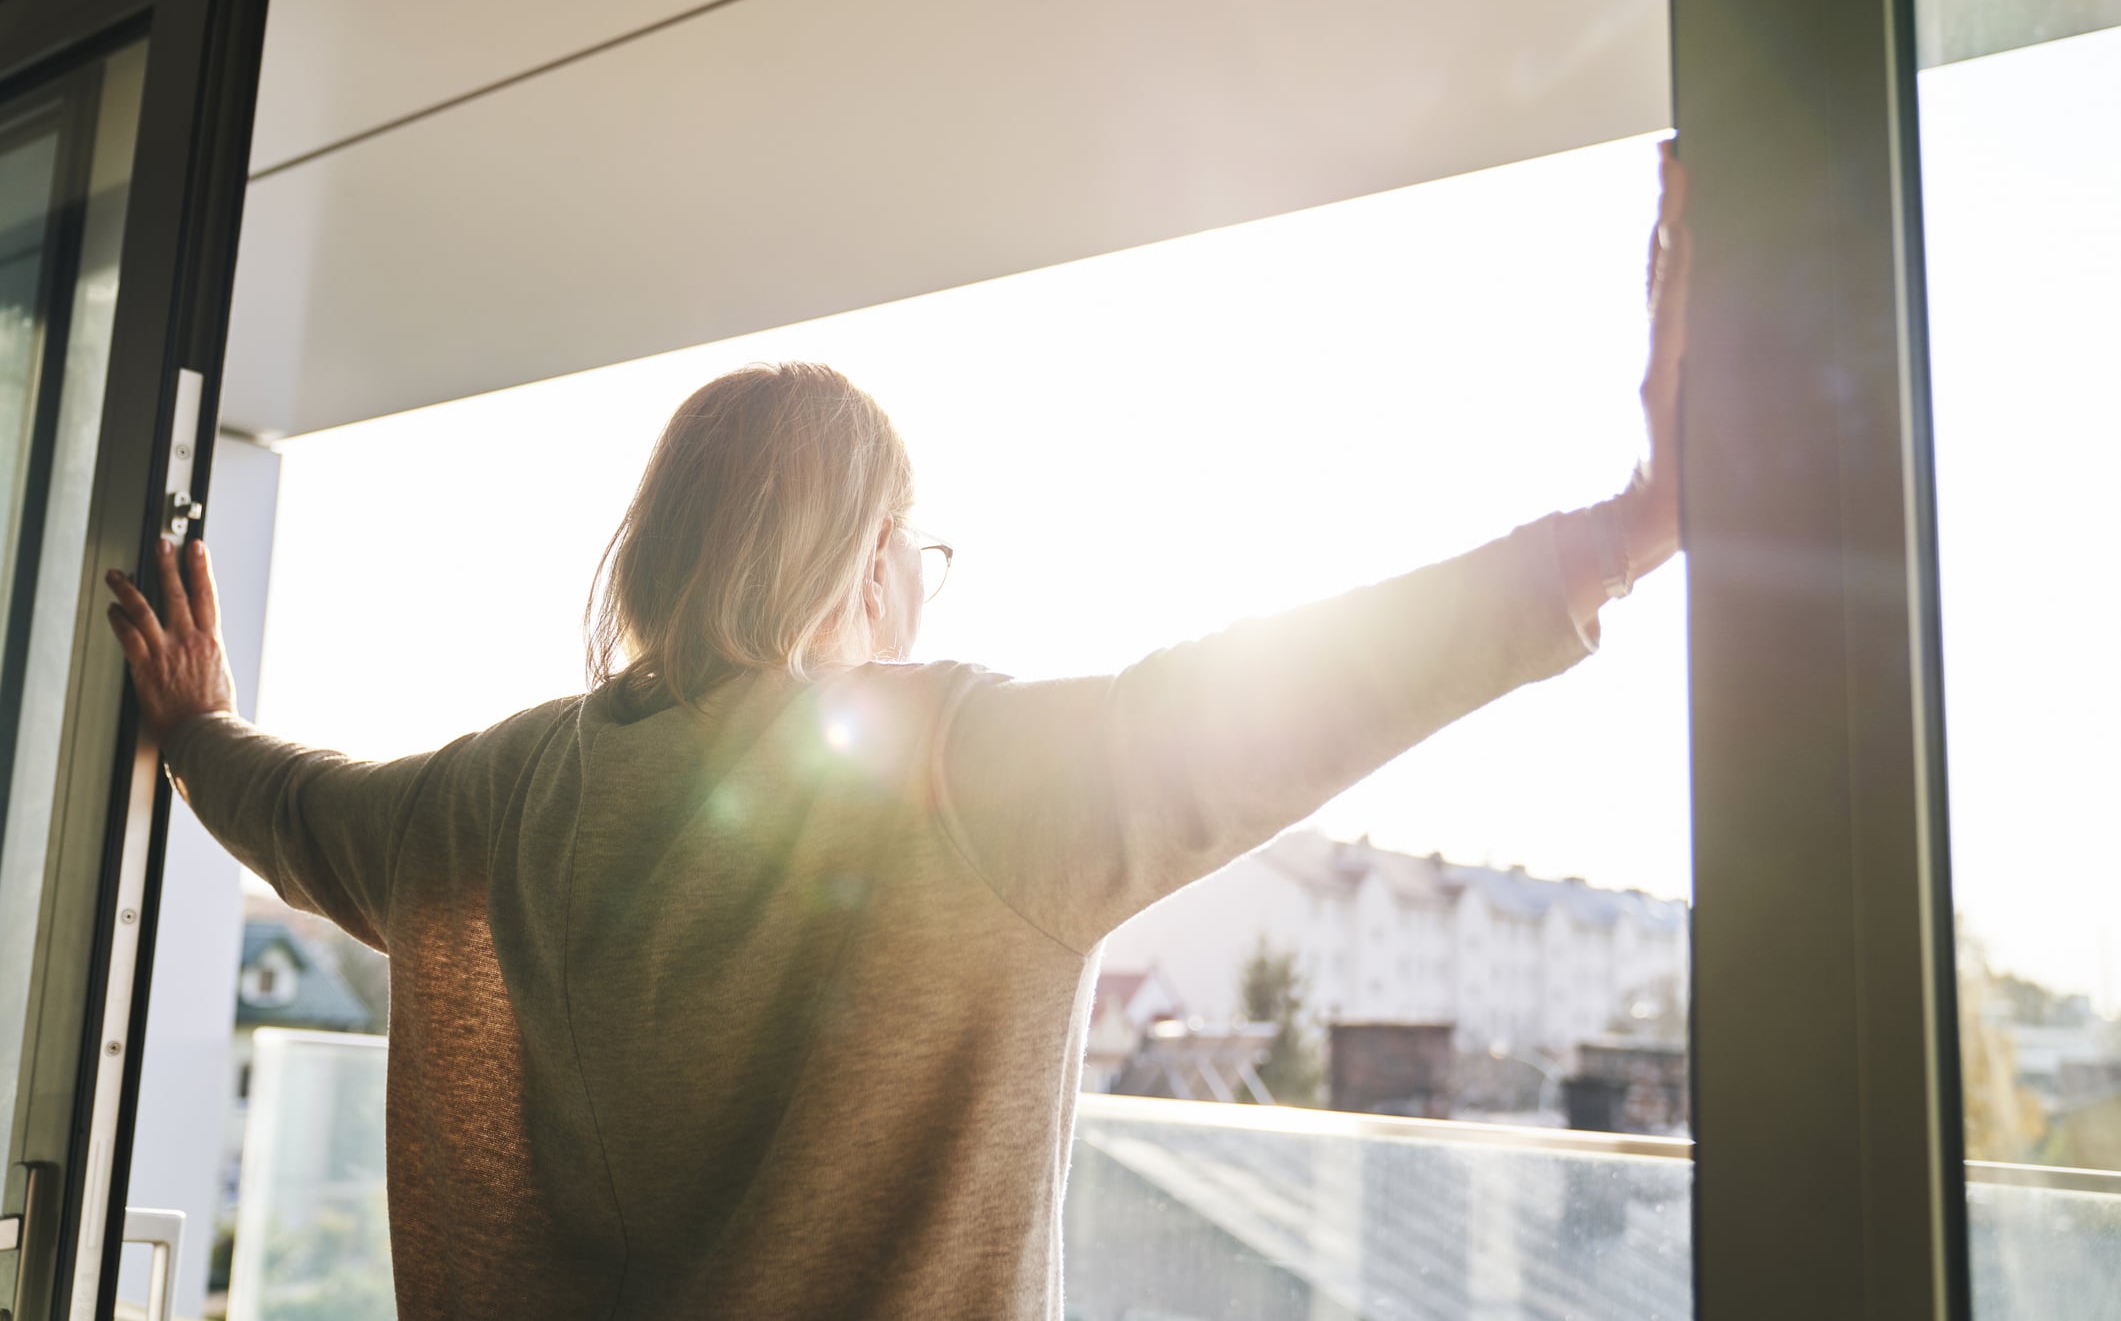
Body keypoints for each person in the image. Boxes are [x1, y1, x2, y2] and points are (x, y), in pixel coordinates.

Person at [106, 144, 1690, 1319]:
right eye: (912, 554)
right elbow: (1274, 698)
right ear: (860, 565)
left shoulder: (506, 791)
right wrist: (1631, 525)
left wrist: (194, 731)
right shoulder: (953, 777)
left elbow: (305, 817)